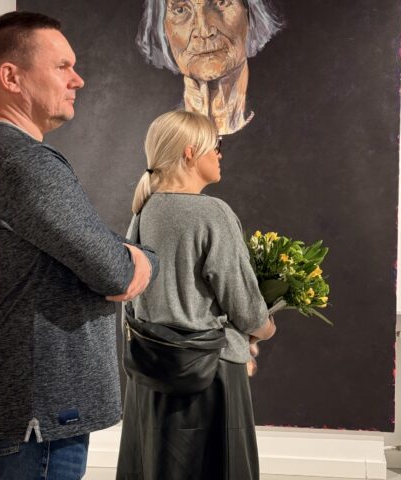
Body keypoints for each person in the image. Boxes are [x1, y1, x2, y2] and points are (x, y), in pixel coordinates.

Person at [0, 11, 158, 480]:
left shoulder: (0, 155)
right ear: (11, 77)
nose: (77, 79)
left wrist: (118, 253)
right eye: (62, 66)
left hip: (37, 405)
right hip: (43, 412)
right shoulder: (24, 163)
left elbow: (91, 244)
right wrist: (141, 259)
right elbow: (115, 271)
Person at [116, 110, 276, 479]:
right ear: (190, 152)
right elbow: (244, 305)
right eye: (215, 146)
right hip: (210, 375)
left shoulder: (144, 211)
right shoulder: (212, 213)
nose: (220, 154)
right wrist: (265, 328)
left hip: (151, 370)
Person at [136, 0, 281, 135]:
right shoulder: (160, 134)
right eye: (181, 10)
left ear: (249, 11)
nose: (204, 31)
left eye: (221, 2)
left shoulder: (283, 126)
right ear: (162, 27)